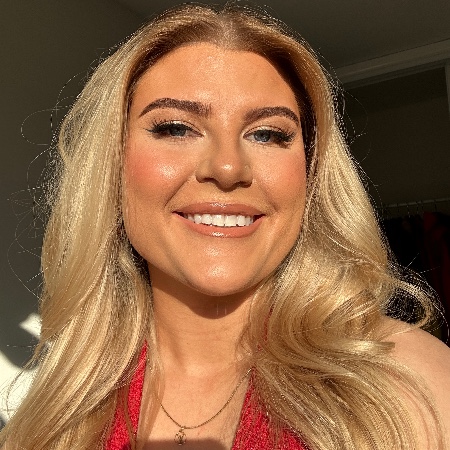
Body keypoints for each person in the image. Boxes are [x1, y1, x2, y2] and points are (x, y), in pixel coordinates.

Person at [1, 3, 449, 450]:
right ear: (111, 166)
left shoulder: (408, 386)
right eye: (176, 128)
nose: (229, 167)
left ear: (311, 174)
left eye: (268, 134)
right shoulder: (58, 409)